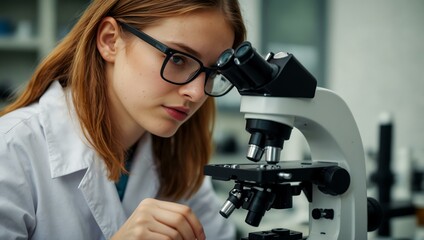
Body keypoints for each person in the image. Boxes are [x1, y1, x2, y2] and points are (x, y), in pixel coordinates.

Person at [0, 0, 246, 239]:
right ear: (110, 41)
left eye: (213, 72)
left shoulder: (180, 162)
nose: (197, 92)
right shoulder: (12, 149)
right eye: (177, 58)